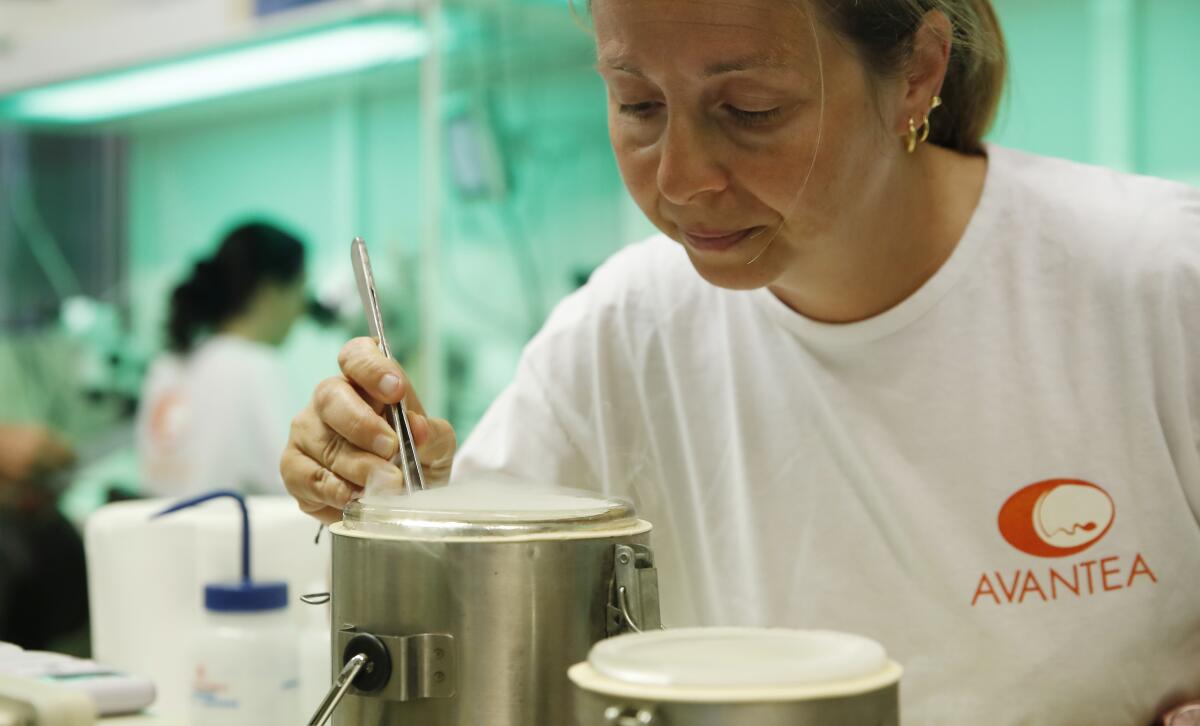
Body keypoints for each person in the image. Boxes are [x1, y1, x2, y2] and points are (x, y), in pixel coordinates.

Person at [278, 0, 1200, 723]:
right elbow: (466, 630)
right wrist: (402, 493)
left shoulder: (1159, 278)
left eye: (751, 110)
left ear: (917, 73)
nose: (680, 178)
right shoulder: (623, 332)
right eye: (637, 103)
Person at [138, 221, 308, 497]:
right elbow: (295, 485)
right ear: (269, 292)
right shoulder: (255, 368)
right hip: (232, 539)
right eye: (300, 289)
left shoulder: (166, 367)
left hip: (162, 537)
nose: (301, 309)